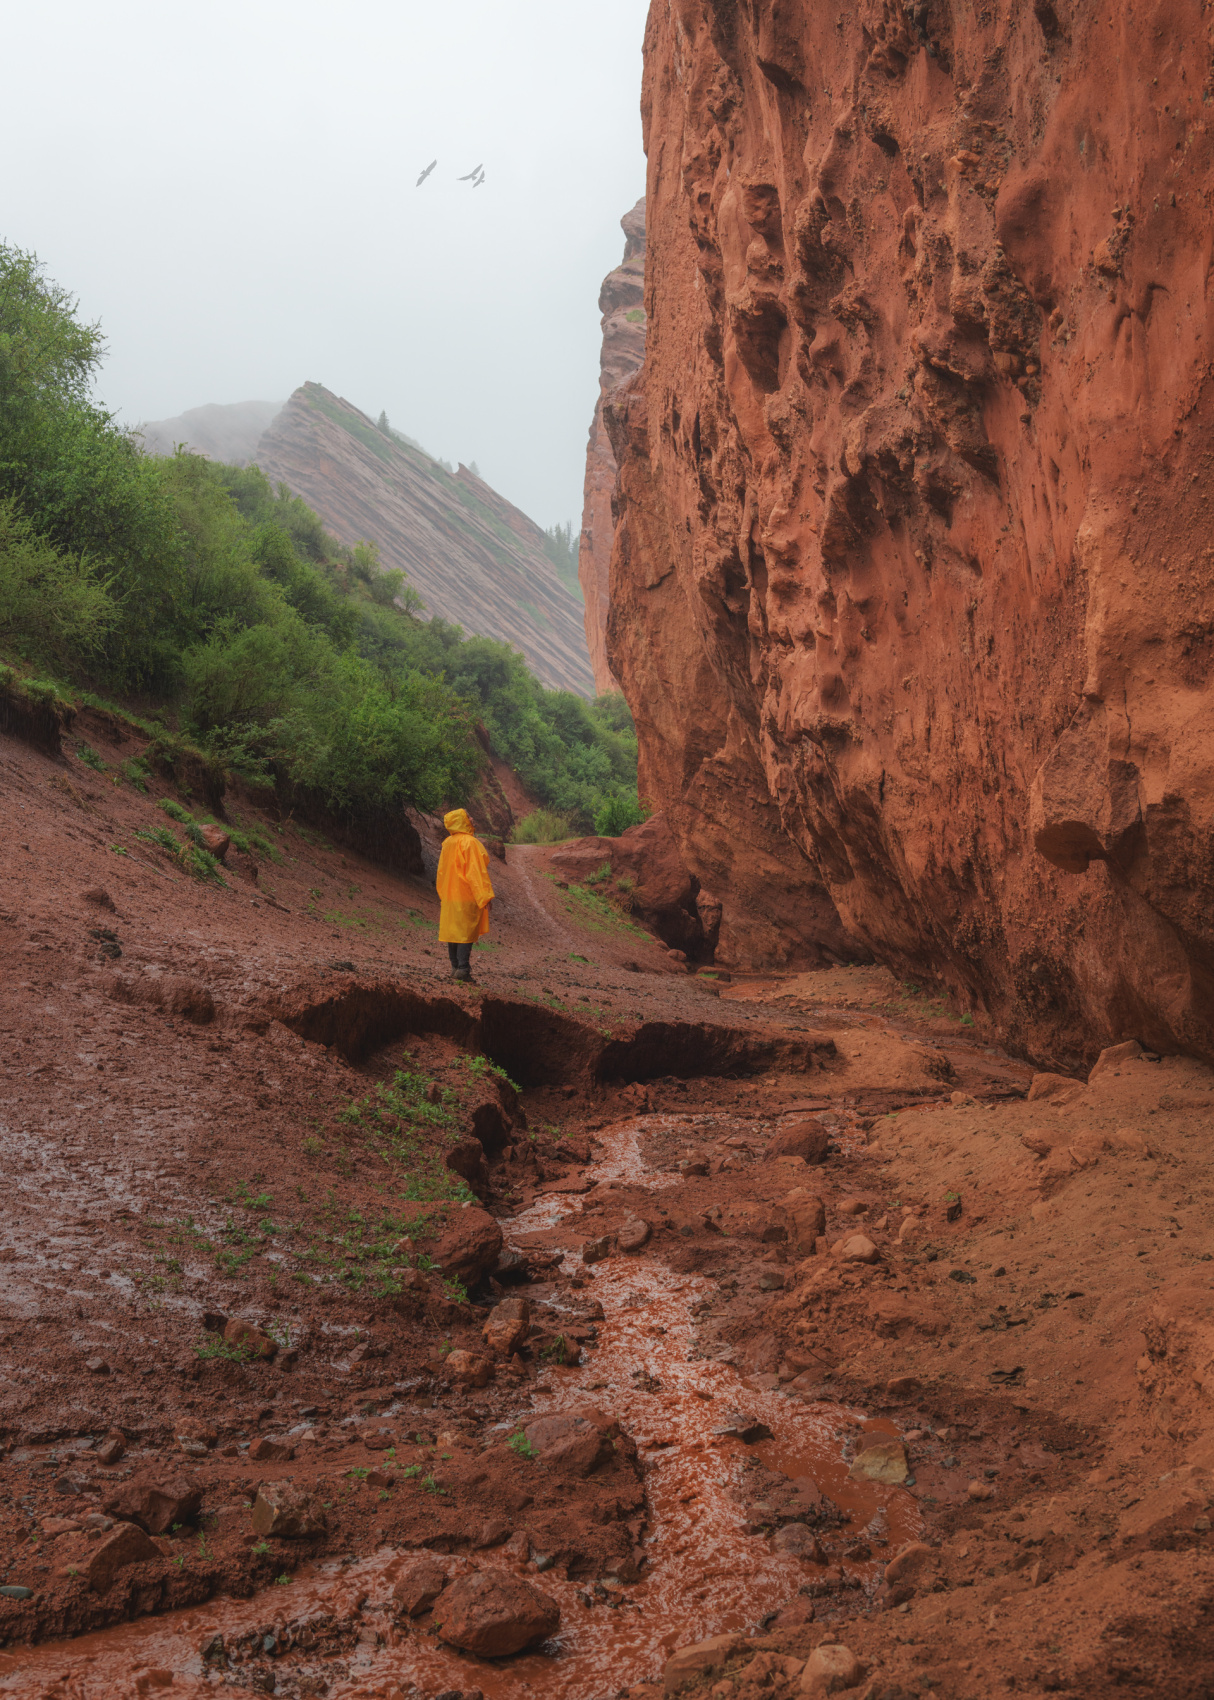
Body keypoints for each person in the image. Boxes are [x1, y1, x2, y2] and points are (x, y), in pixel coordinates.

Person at [435, 808, 494, 982]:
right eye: (468, 816)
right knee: (465, 933)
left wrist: (443, 893)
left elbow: (441, 872)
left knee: (453, 932)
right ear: (462, 820)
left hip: (449, 895)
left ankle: (455, 968)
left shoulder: (447, 843)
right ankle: (462, 969)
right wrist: (485, 896)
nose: (472, 818)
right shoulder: (470, 843)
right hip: (466, 895)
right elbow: (476, 873)